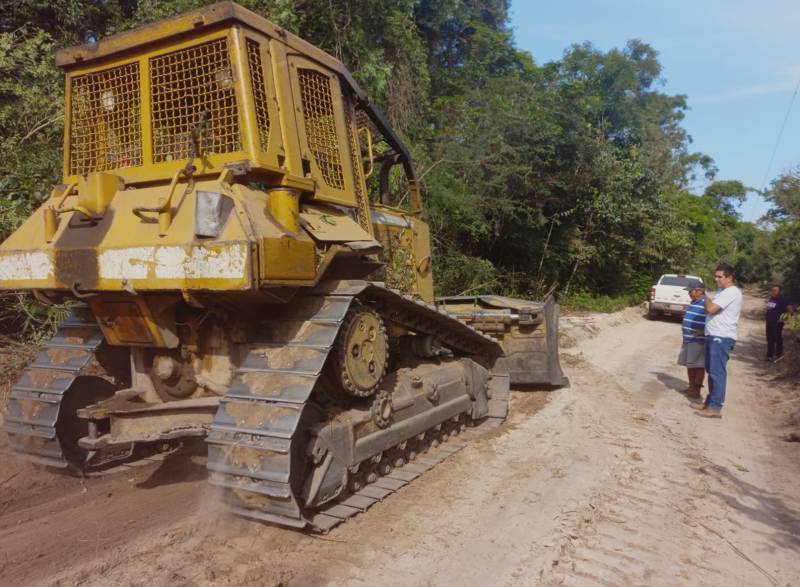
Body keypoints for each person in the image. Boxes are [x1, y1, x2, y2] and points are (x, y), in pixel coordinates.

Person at [693, 263, 742, 418]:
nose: (716, 279)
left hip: (721, 337)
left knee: (717, 372)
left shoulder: (731, 292)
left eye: (719, 276)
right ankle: (710, 403)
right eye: (715, 276)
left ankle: (715, 408)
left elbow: (711, 309)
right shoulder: (723, 292)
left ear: (730, 278)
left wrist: (705, 297)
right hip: (714, 335)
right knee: (712, 371)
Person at [677, 281, 706, 400]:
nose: (689, 293)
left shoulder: (706, 303)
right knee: (690, 365)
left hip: (698, 340)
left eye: (690, 291)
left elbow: (713, 321)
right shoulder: (694, 302)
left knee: (698, 366)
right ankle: (691, 387)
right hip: (689, 339)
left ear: (699, 291)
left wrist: (704, 332)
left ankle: (697, 390)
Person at [765, 285, 790, 361]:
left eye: (775, 290)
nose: (773, 292)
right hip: (769, 322)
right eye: (772, 290)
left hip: (777, 323)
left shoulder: (783, 300)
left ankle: (778, 355)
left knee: (777, 338)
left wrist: (784, 318)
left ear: (780, 292)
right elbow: (769, 309)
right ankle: (769, 355)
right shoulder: (771, 299)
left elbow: (790, 309)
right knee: (769, 338)